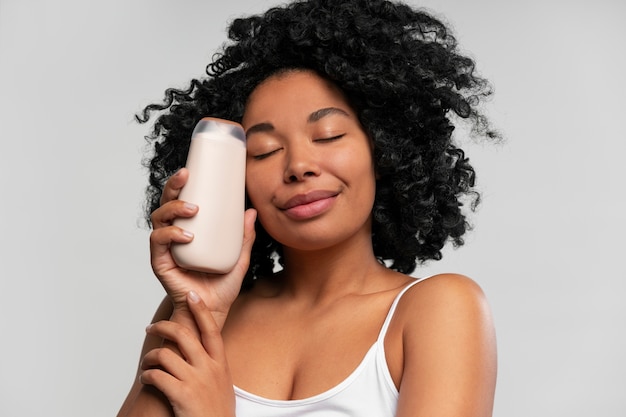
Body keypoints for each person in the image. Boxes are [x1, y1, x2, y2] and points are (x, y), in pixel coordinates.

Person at [117, 0, 499, 416]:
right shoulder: (195, 312)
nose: (298, 166)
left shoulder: (439, 309)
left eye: (328, 135)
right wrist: (198, 307)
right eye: (264, 151)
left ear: (385, 148)